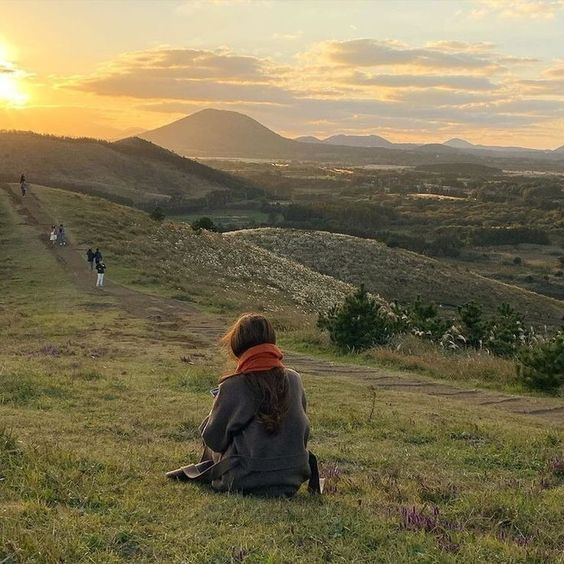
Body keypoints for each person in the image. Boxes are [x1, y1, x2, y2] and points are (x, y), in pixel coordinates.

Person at [166, 313, 319, 497]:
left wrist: (216, 408)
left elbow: (214, 439)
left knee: (217, 435)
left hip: (243, 479)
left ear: (237, 345)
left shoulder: (234, 385)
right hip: (291, 478)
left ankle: (201, 471)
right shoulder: (294, 379)